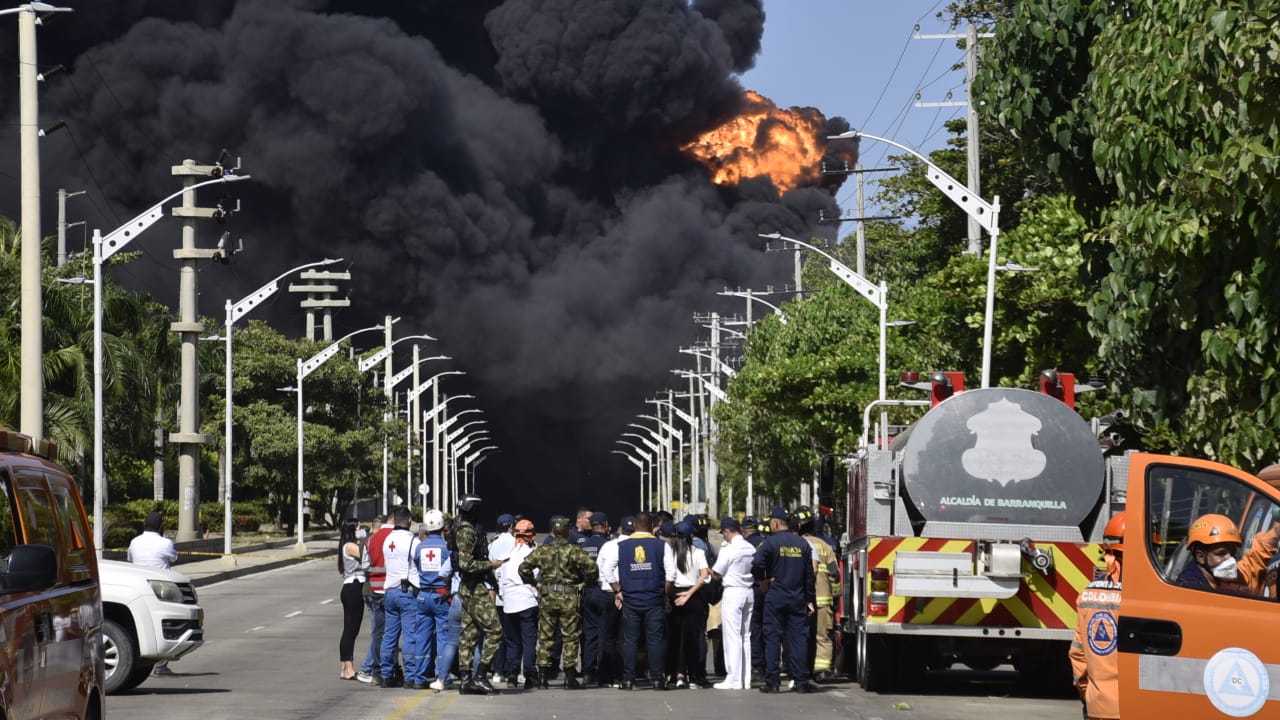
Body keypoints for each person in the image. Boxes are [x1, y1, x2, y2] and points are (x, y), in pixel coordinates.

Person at [521, 515, 599, 689]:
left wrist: (535, 583)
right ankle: (569, 676)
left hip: (548, 597)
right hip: (569, 598)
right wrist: (585, 583)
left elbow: (523, 568)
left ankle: (542, 677)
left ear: (553, 532)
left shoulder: (542, 551)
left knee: (546, 636)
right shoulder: (574, 550)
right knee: (570, 637)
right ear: (567, 531)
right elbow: (593, 568)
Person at [602, 512, 676, 690]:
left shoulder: (622, 546)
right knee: (655, 640)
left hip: (631, 599)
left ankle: (628, 679)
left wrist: (618, 590)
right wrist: (665, 594)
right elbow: (671, 574)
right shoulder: (661, 546)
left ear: (634, 526)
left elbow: (607, 570)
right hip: (654, 599)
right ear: (652, 527)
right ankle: (658, 679)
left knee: (630, 641)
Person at [753, 506, 816, 694]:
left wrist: (763, 580)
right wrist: (810, 600)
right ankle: (801, 681)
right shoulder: (803, 544)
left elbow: (756, 563)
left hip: (776, 596)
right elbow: (809, 576)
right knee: (799, 639)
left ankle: (773, 682)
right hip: (797, 597)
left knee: (772, 637)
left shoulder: (770, 543)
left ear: (775, 523)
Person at [1069, 512, 1125, 720]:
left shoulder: (1087, 595)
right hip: (1133, 707)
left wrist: (1087, 694)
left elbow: (1078, 654)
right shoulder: (1144, 601)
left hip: (1096, 707)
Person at [453, 494, 505, 694]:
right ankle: (481, 675)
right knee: (495, 631)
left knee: (469, 634)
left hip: (470, 587)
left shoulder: (465, 530)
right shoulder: (467, 532)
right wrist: (490, 564)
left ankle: (466, 679)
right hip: (474, 588)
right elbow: (466, 564)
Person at [128, 511, 179, 677]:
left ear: (144, 525)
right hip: (160, 590)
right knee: (164, 627)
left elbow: (130, 559)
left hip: (137, 590)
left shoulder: (135, 542)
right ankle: (160, 666)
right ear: (161, 527)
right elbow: (173, 558)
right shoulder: (165, 543)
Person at [1176, 512, 1279, 594]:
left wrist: (1276, 532)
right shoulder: (1190, 589)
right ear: (1201, 556)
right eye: (1221, 554)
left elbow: (1256, 559)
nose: (1230, 559)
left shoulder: (1227, 578)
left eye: (1233, 553)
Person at [794, 506, 840, 682]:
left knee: (801, 635)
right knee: (823, 636)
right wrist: (835, 596)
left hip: (801, 598)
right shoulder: (826, 546)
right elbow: (835, 574)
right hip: (823, 600)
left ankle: (801, 668)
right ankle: (821, 670)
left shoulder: (796, 544)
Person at [380, 507, 423, 689]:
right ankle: (410, 676)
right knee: (409, 636)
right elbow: (420, 562)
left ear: (394, 520)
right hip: (406, 593)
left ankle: (386, 675)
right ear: (410, 520)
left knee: (389, 635)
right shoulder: (412, 541)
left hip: (389, 591)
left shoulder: (387, 539)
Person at [665, 520, 711, 689]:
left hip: (674, 595)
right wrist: (690, 593)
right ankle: (696, 674)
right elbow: (705, 576)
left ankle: (676, 674)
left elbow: (667, 575)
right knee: (694, 638)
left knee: (675, 638)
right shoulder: (698, 552)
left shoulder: (669, 552)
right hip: (693, 596)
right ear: (691, 535)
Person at [712, 517, 755, 690]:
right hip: (748, 591)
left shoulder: (729, 549)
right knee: (745, 636)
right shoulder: (750, 547)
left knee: (732, 636)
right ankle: (746, 679)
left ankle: (734, 678)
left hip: (733, 591)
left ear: (727, 532)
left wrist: (709, 571)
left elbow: (716, 573)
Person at [411, 509, 453, 689]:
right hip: (440, 595)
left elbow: (416, 565)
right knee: (443, 637)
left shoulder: (420, 546)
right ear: (443, 527)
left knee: (422, 637)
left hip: (422, 595)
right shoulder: (446, 548)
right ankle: (442, 676)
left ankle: (419, 677)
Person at [498, 518, 540, 688]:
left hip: (508, 603)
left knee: (513, 641)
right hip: (528, 602)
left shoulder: (505, 556)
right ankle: (530, 675)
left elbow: (499, 580)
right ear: (532, 536)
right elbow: (537, 578)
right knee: (529, 640)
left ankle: (512, 675)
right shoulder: (532, 556)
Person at [594, 515, 633, 688]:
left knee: (606, 636)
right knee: (624, 637)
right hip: (628, 594)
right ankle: (620, 676)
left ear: (619, 529)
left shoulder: (608, 545)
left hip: (609, 593)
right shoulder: (637, 547)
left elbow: (598, 571)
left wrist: (611, 588)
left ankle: (604, 676)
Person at [358, 514, 397, 685]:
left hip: (374, 589)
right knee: (393, 632)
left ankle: (377, 671)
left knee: (378, 632)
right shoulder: (396, 538)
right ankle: (391, 669)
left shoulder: (371, 540)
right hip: (391, 589)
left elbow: (365, 565)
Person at [580, 512, 611, 686]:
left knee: (589, 633)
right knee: (603, 633)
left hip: (588, 591)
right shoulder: (608, 545)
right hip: (603, 591)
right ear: (605, 525)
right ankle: (601, 671)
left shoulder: (584, 545)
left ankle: (587, 671)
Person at [488, 513, 516, 680]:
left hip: (496, 595)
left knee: (498, 635)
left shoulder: (493, 545)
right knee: (512, 636)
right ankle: (511, 669)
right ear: (511, 526)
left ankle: (497, 670)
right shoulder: (515, 544)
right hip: (511, 596)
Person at [337, 519, 366, 680]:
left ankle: (344, 667)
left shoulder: (349, 545)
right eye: (359, 528)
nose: (361, 531)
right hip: (354, 587)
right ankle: (349, 667)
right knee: (351, 629)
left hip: (352, 587)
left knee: (350, 629)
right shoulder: (350, 546)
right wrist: (365, 539)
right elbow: (366, 555)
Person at [740, 516, 766, 681]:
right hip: (769, 588)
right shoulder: (765, 542)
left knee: (754, 628)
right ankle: (770, 663)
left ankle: (757, 665)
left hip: (753, 588)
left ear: (743, 531)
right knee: (768, 627)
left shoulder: (744, 545)